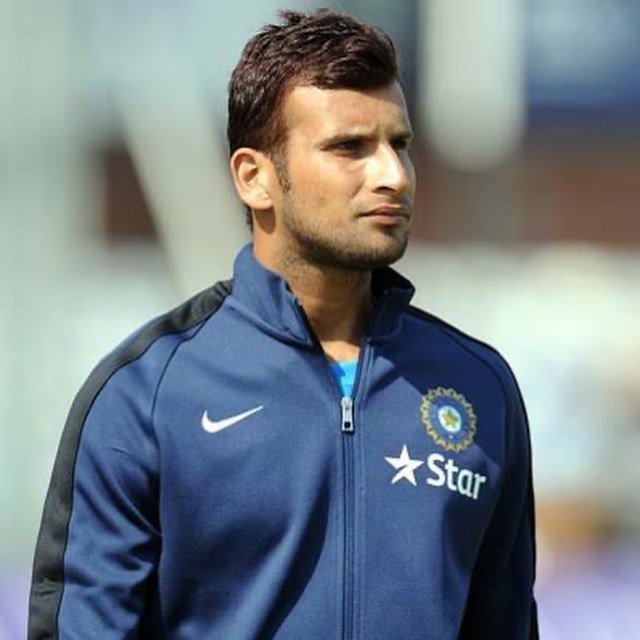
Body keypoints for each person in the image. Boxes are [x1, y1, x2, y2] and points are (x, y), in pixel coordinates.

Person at [28, 9, 538, 639]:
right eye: (349, 147)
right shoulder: (146, 394)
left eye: (400, 145)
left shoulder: (478, 386)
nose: (393, 175)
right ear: (255, 178)